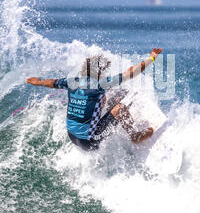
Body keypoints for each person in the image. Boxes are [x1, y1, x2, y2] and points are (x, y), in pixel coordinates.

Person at [26, 48, 163, 151]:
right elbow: (130, 73)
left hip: (72, 136)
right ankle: (135, 136)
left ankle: (99, 119)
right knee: (119, 108)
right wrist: (152, 58)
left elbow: (52, 83)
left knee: (103, 98)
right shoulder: (100, 84)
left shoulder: (71, 81)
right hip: (89, 142)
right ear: (99, 71)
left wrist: (38, 82)